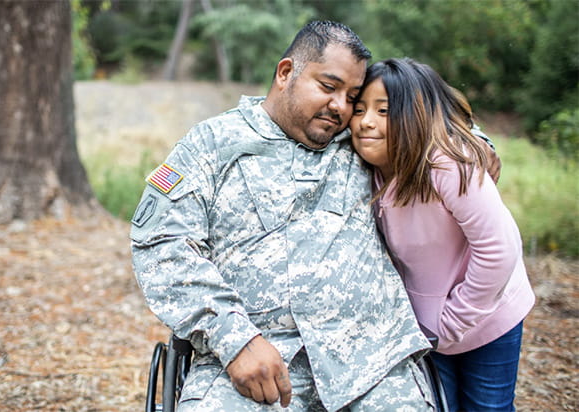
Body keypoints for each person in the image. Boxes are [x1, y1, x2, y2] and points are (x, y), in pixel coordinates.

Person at [130, 21, 436, 411]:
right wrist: (234, 338)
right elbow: (161, 243)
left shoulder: (361, 138)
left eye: (352, 96)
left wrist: (476, 140)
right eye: (328, 87)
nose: (341, 107)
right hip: (251, 362)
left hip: (372, 365)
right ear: (285, 72)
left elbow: (425, 123)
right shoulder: (211, 144)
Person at [349, 57, 535, 412]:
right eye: (359, 110)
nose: (366, 122)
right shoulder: (365, 169)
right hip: (429, 327)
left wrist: (453, 322)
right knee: (440, 405)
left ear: (414, 116)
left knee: (487, 406)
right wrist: (435, 329)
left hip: (488, 313)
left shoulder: (448, 165)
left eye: (384, 110)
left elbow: (500, 249)